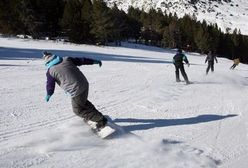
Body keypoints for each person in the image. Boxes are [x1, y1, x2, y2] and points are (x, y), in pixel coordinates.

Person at [43, 51, 107, 130]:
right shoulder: (66, 59)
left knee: (78, 110)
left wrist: (49, 94)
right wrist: (94, 61)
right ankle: (96, 115)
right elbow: (82, 60)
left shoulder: (50, 71)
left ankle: (100, 120)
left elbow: (50, 84)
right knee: (83, 102)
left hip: (76, 90)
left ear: (47, 62)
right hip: (84, 84)